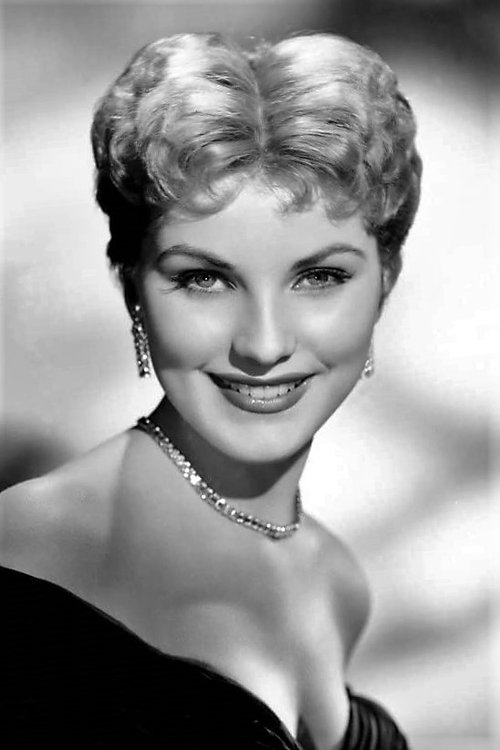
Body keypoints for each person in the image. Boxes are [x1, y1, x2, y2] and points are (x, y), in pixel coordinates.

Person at [0, 31, 421, 749]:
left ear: (385, 284)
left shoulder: (339, 582)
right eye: (204, 279)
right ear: (132, 288)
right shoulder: (29, 548)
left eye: (319, 277)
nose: (263, 344)